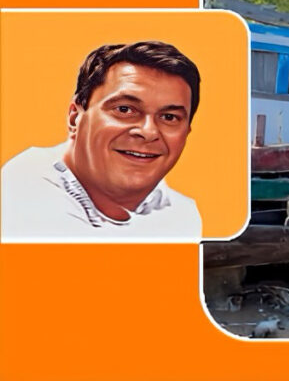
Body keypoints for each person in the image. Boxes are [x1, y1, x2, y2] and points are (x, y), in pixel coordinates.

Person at [1, 41, 202, 241]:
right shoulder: (24, 185)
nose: (149, 132)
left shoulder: (183, 215)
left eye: (169, 117)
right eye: (124, 109)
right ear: (75, 117)